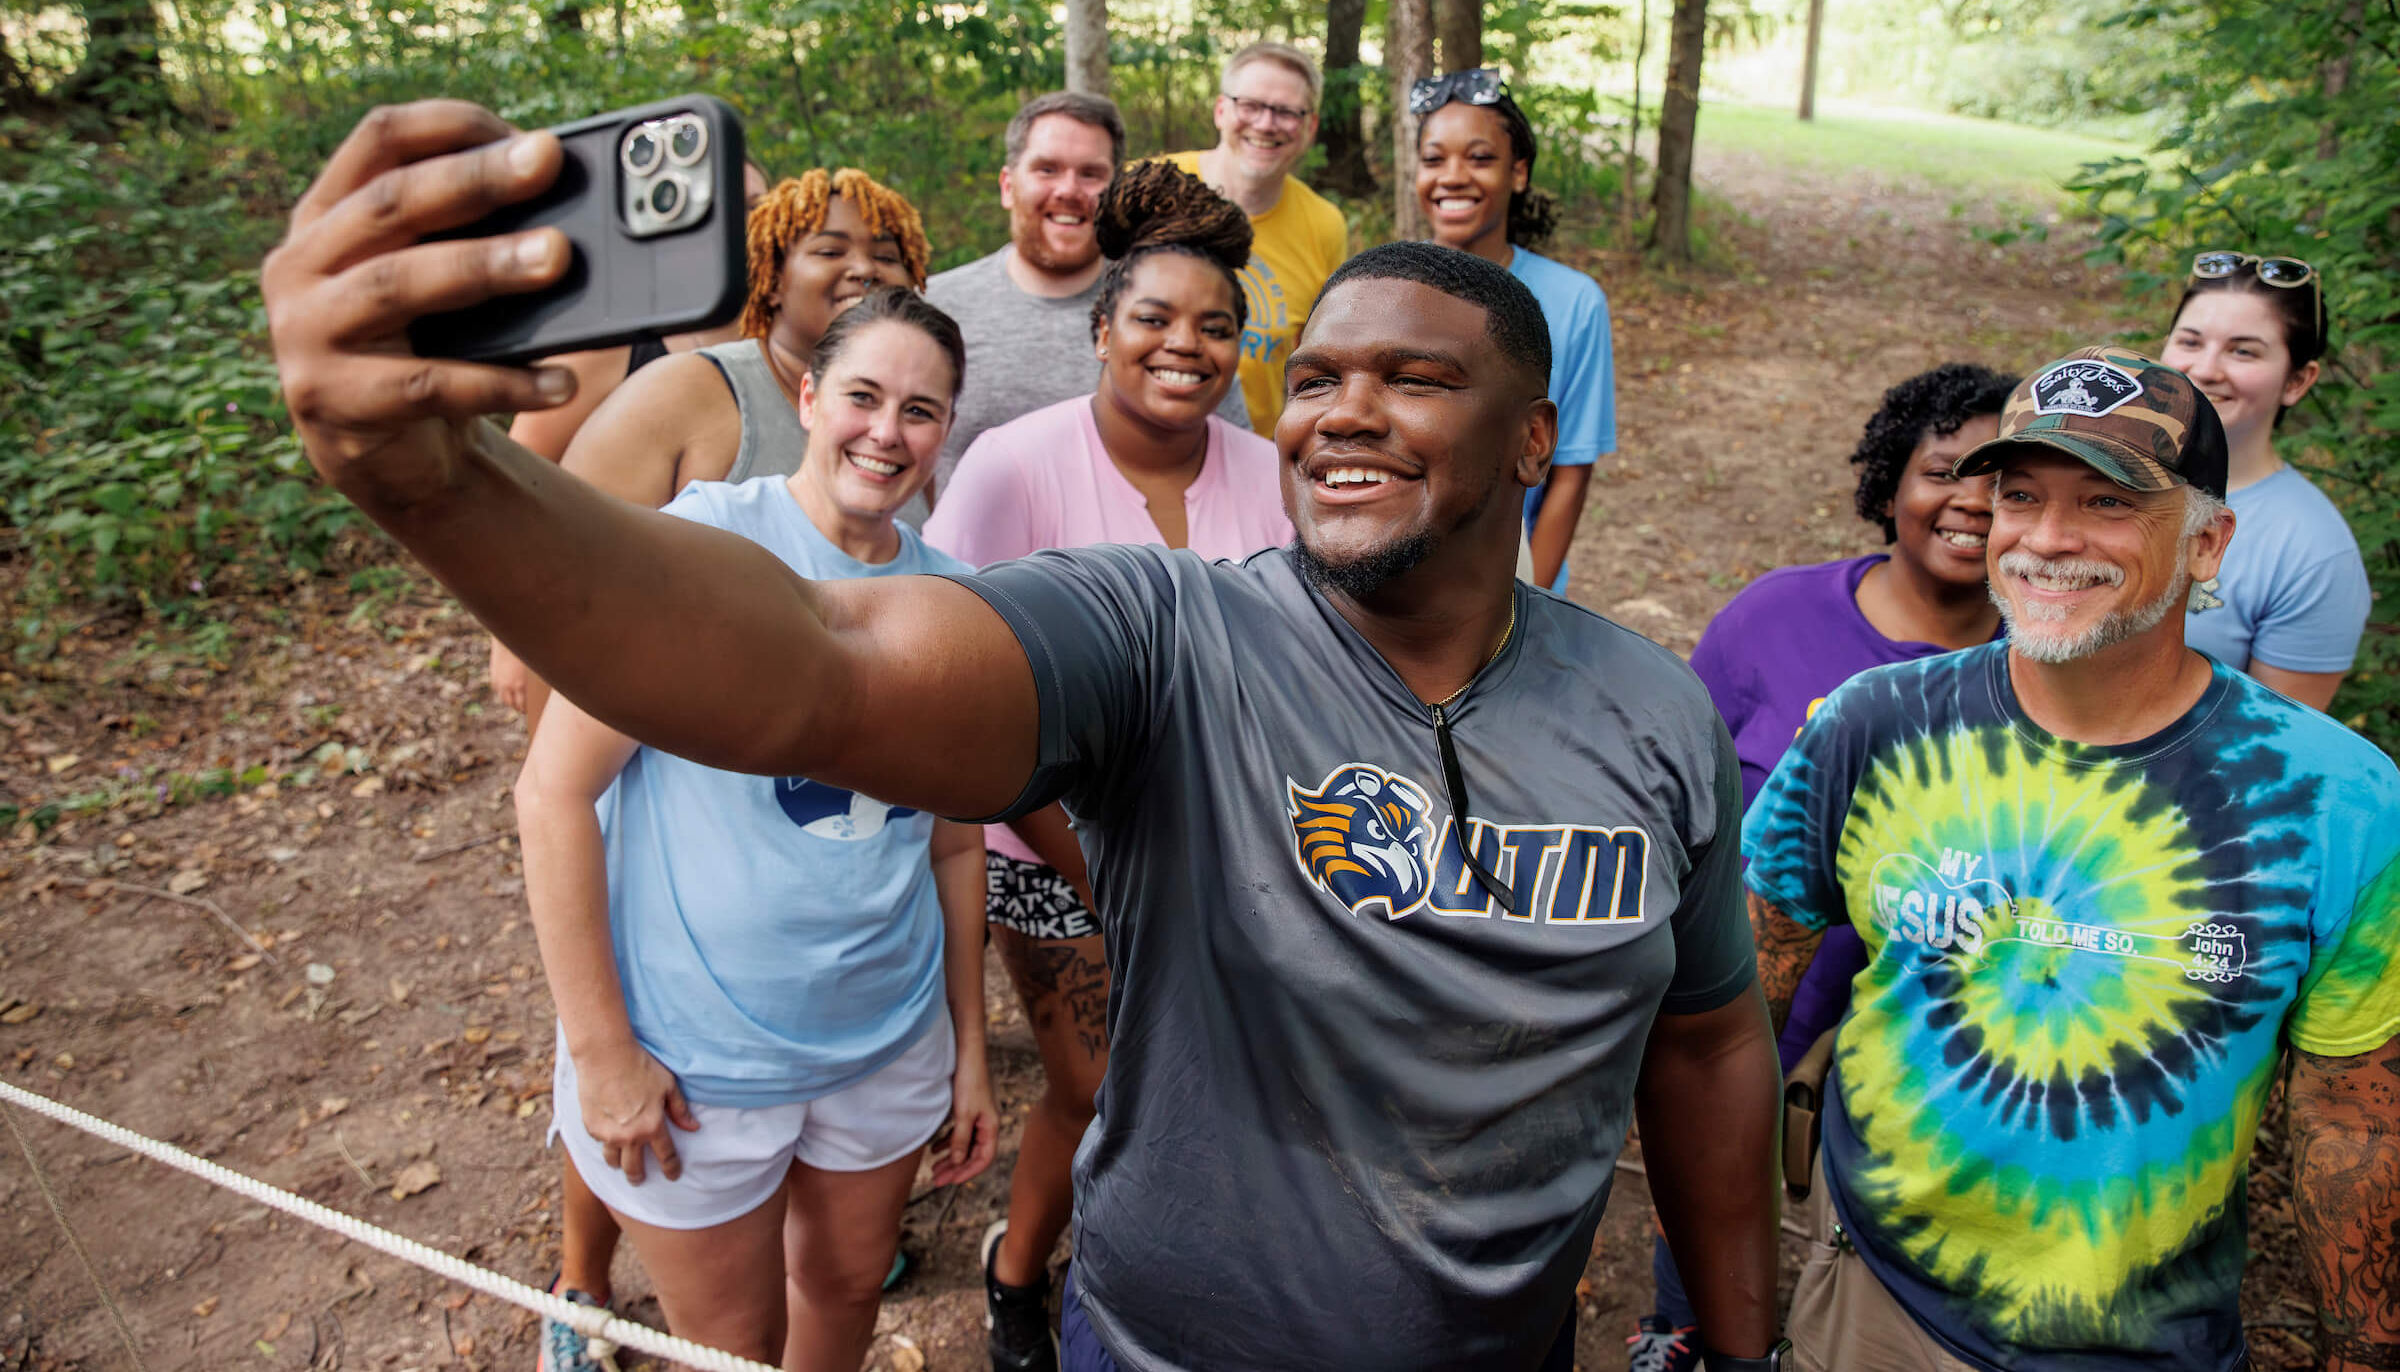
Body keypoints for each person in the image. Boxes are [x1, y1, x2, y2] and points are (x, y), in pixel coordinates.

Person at [263, 101, 1791, 1372]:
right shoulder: (1174, 634)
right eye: (1317, 377)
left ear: (1534, 437)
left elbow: (1711, 1036)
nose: (1342, 412)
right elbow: (818, 664)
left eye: (1416, 380)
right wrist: (436, 485)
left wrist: (1741, 1345)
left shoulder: (1650, 717)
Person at [1742, 346, 2400, 1372]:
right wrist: (1709, 1282)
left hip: (2150, 1340)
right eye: (2020, 496)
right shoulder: (1872, 728)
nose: (2048, 538)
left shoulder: (2337, 800)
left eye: (2106, 501)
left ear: (2208, 540)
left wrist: (2363, 1353)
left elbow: (2351, 1123)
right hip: (1877, 1303)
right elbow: (1748, 998)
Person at [517, 289, 998, 1371]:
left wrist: (967, 1048)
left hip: (883, 1040)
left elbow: (955, 842)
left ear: (946, 433)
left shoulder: (958, 603)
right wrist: (602, 1055)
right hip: (697, 1063)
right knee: (731, 1341)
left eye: (921, 410)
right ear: (809, 394)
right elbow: (552, 794)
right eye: (864, 396)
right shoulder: (701, 548)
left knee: (839, 1288)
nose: (888, 431)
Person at [924, 161, 1290, 1372]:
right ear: (1100, 329)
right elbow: (963, 689)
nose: (1186, 346)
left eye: (1217, 326)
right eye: (1154, 318)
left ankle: (1166, 1257)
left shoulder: (1265, 471)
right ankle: (1017, 1273)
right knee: (1096, 1083)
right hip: (1050, 847)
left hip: (1225, 839)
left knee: (1218, 1081)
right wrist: (1097, 866)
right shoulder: (1013, 466)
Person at [1629, 362, 2015, 1371]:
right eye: (1943, 471)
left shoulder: (2045, 677)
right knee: (1707, 1236)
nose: (1969, 503)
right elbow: (1676, 801)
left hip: (1922, 1065)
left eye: (2001, 485)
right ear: (1891, 483)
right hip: (1735, 1010)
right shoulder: (1772, 620)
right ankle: (1679, 1332)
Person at [494, 166, 930, 727]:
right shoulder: (679, 391)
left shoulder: (910, 426)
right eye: (829, 250)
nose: (865, 269)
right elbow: (566, 587)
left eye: (887, 255)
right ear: (772, 276)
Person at [488, 158, 773, 709]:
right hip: (605, 623)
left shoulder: (784, 342)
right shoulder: (609, 342)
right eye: (725, 208)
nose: (745, 222)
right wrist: (508, 639)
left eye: (757, 206)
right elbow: (506, 482)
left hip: (741, 633)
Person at [927, 93, 1247, 493]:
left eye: (1091, 174)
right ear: (1009, 186)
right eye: (1047, 169)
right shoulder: (938, 310)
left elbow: (1233, 461)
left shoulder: (1174, 311)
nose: (1069, 190)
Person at [1412, 69, 1614, 594]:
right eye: (1434, 159)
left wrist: (1529, 608)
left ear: (1518, 173)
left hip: (1509, 571)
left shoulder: (1574, 302)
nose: (1453, 176)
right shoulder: (1382, 291)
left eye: (1479, 158)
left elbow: (1570, 471)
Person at [2159, 251, 2368, 712]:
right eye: (2190, 342)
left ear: (2297, 380)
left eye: (2243, 351)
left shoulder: (2312, 550)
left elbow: (2278, 746)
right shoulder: (2091, 469)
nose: (2207, 369)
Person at [1163, 41, 1350, 427]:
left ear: (1309, 126)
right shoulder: (1154, 188)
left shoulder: (1325, 225)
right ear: (1221, 110)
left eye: (1285, 112)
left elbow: (1318, 364)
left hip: (1253, 457)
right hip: (1133, 444)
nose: (1265, 124)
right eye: (1250, 105)